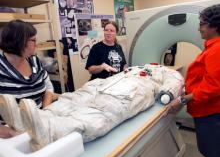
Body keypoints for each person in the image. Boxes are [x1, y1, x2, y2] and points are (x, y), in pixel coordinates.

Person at [0, 64, 184, 151]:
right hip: (104, 84)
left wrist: (166, 93)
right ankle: (28, 121)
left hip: (132, 91)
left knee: (100, 113)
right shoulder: (135, 67)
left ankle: (49, 131)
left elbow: (176, 81)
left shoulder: (165, 71)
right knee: (73, 99)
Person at [167, 4, 220, 157]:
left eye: (203, 23)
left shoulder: (217, 49)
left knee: (216, 151)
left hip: (211, 111)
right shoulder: (211, 46)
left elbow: (213, 86)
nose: (199, 27)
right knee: (208, 147)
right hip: (205, 109)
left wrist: (183, 99)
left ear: (215, 25)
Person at [0, 20, 54, 138]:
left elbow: (49, 87)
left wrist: (45, 111)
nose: (36, 44)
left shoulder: (34, 61)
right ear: (18, 41)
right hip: (11, 134)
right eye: (33, 40)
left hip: (39, 123)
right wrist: (10, 132)